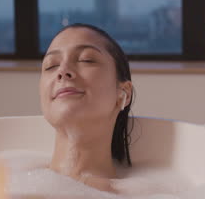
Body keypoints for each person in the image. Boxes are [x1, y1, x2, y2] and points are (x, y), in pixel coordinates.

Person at [39, 23, 134, 193]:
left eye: (86, 59)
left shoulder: (144, 194)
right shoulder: (2, 182)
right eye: (51, 65)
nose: (63, 70)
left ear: (123, 92)